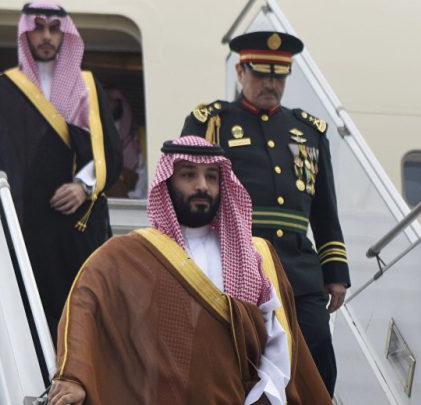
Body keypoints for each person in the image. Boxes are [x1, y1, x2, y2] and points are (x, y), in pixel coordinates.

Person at [48, 136, 331, 405]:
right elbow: (85, 304)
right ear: (167, 182)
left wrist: (265, 393)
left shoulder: (255, 255)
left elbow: (277, 337)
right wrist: (74, 377)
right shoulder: (133, 253)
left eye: (211, 176)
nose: (202, 186)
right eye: (188, 175)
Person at [180, 31, 350, 396]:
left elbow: (324, 209)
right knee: (243, 356)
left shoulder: (308, 131)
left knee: (317, 347)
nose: (271, 84)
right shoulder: (213, 123)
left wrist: (336, 272)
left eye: (279, 76)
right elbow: (187, 191)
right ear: (241, 72)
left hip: (298, 266)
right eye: (261, 74)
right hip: (238, 259)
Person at [0, 1, 122, 346]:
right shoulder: (0, 89)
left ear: (65, 34)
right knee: (22, 318)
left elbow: (109, 154)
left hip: (72, 228)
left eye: (54, 29)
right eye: (38, 28)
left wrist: (83, 186)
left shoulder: (86, 87)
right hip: (21, 227)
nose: (46, 36)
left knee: (79, 318)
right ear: (25, 32)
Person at [104, 88, 147, 199]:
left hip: (133, 191)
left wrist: (137, 194)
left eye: (112, 101)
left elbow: (143, 169)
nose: (109, 105)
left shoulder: (136, 136)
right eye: (107, 101)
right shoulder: (101, 132)